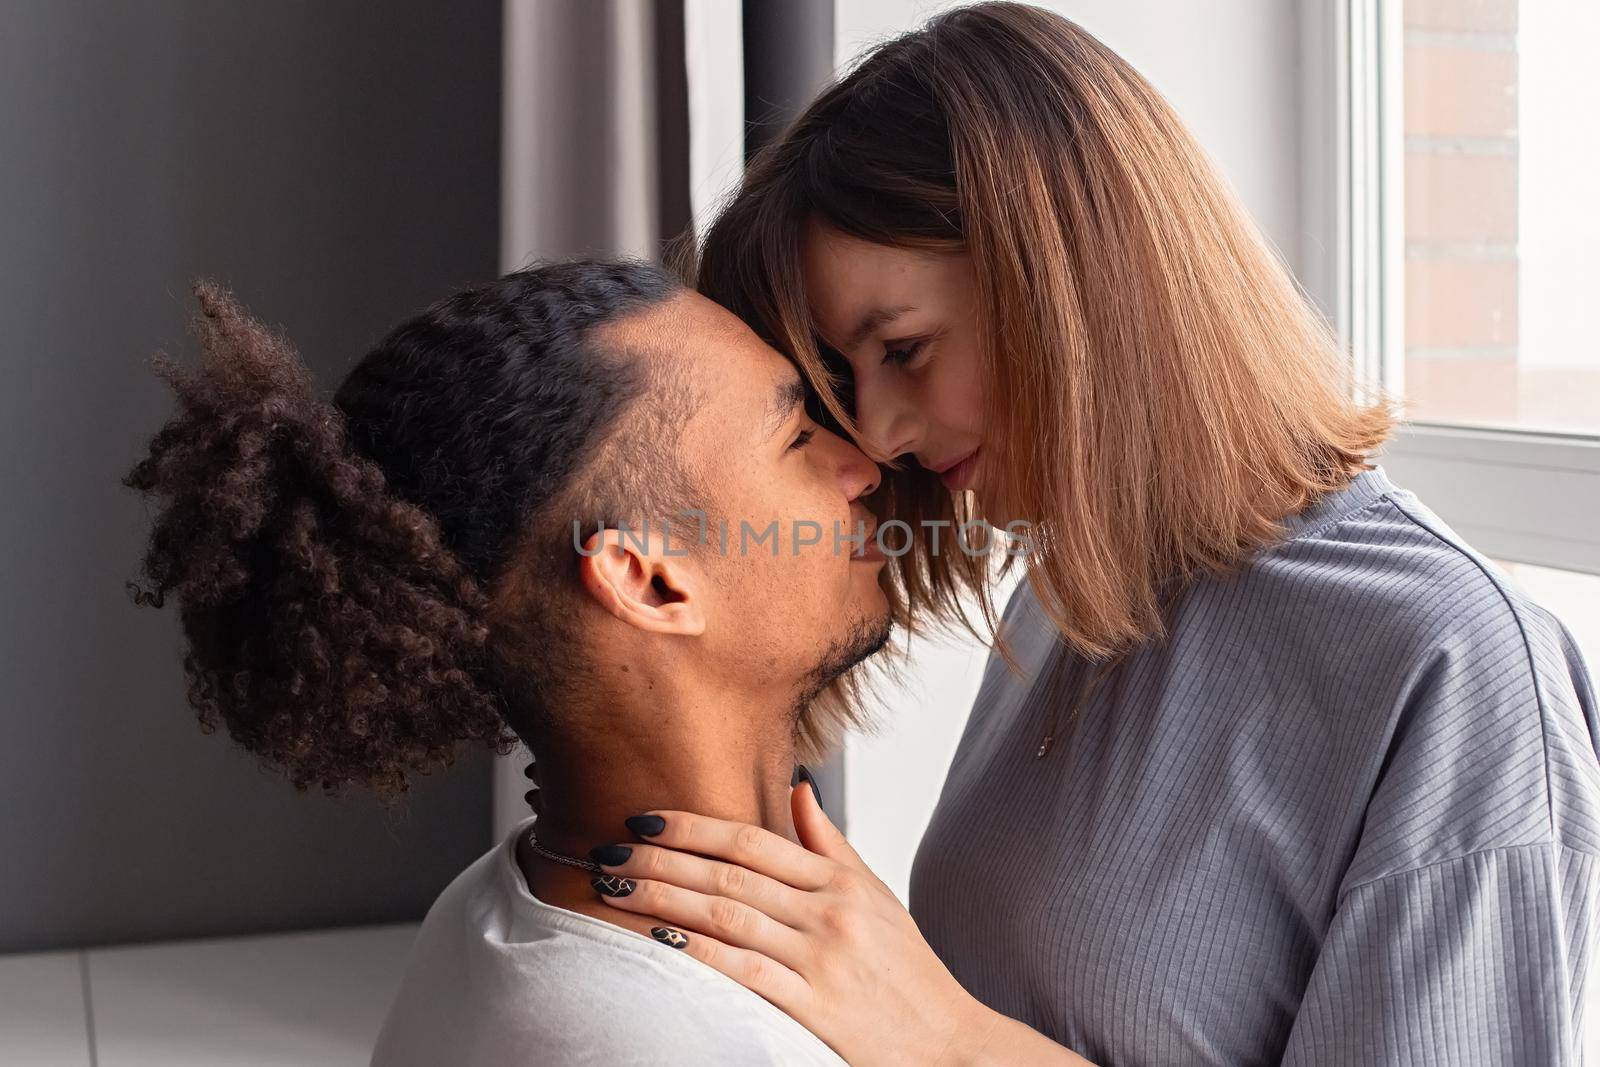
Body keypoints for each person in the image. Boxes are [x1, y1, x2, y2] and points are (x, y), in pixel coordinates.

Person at [573, 5, 1600, 1064]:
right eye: (845, 382)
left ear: (1069, 275)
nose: (877, 434)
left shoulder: (1455, 670)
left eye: (907, 349)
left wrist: (942, 1033)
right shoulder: (1080, 582)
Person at [123, 260, 902, 1065]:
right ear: (650, 580)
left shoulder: (489, 914)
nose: (862, 466)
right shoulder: (680, 1044)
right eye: (797, 438)